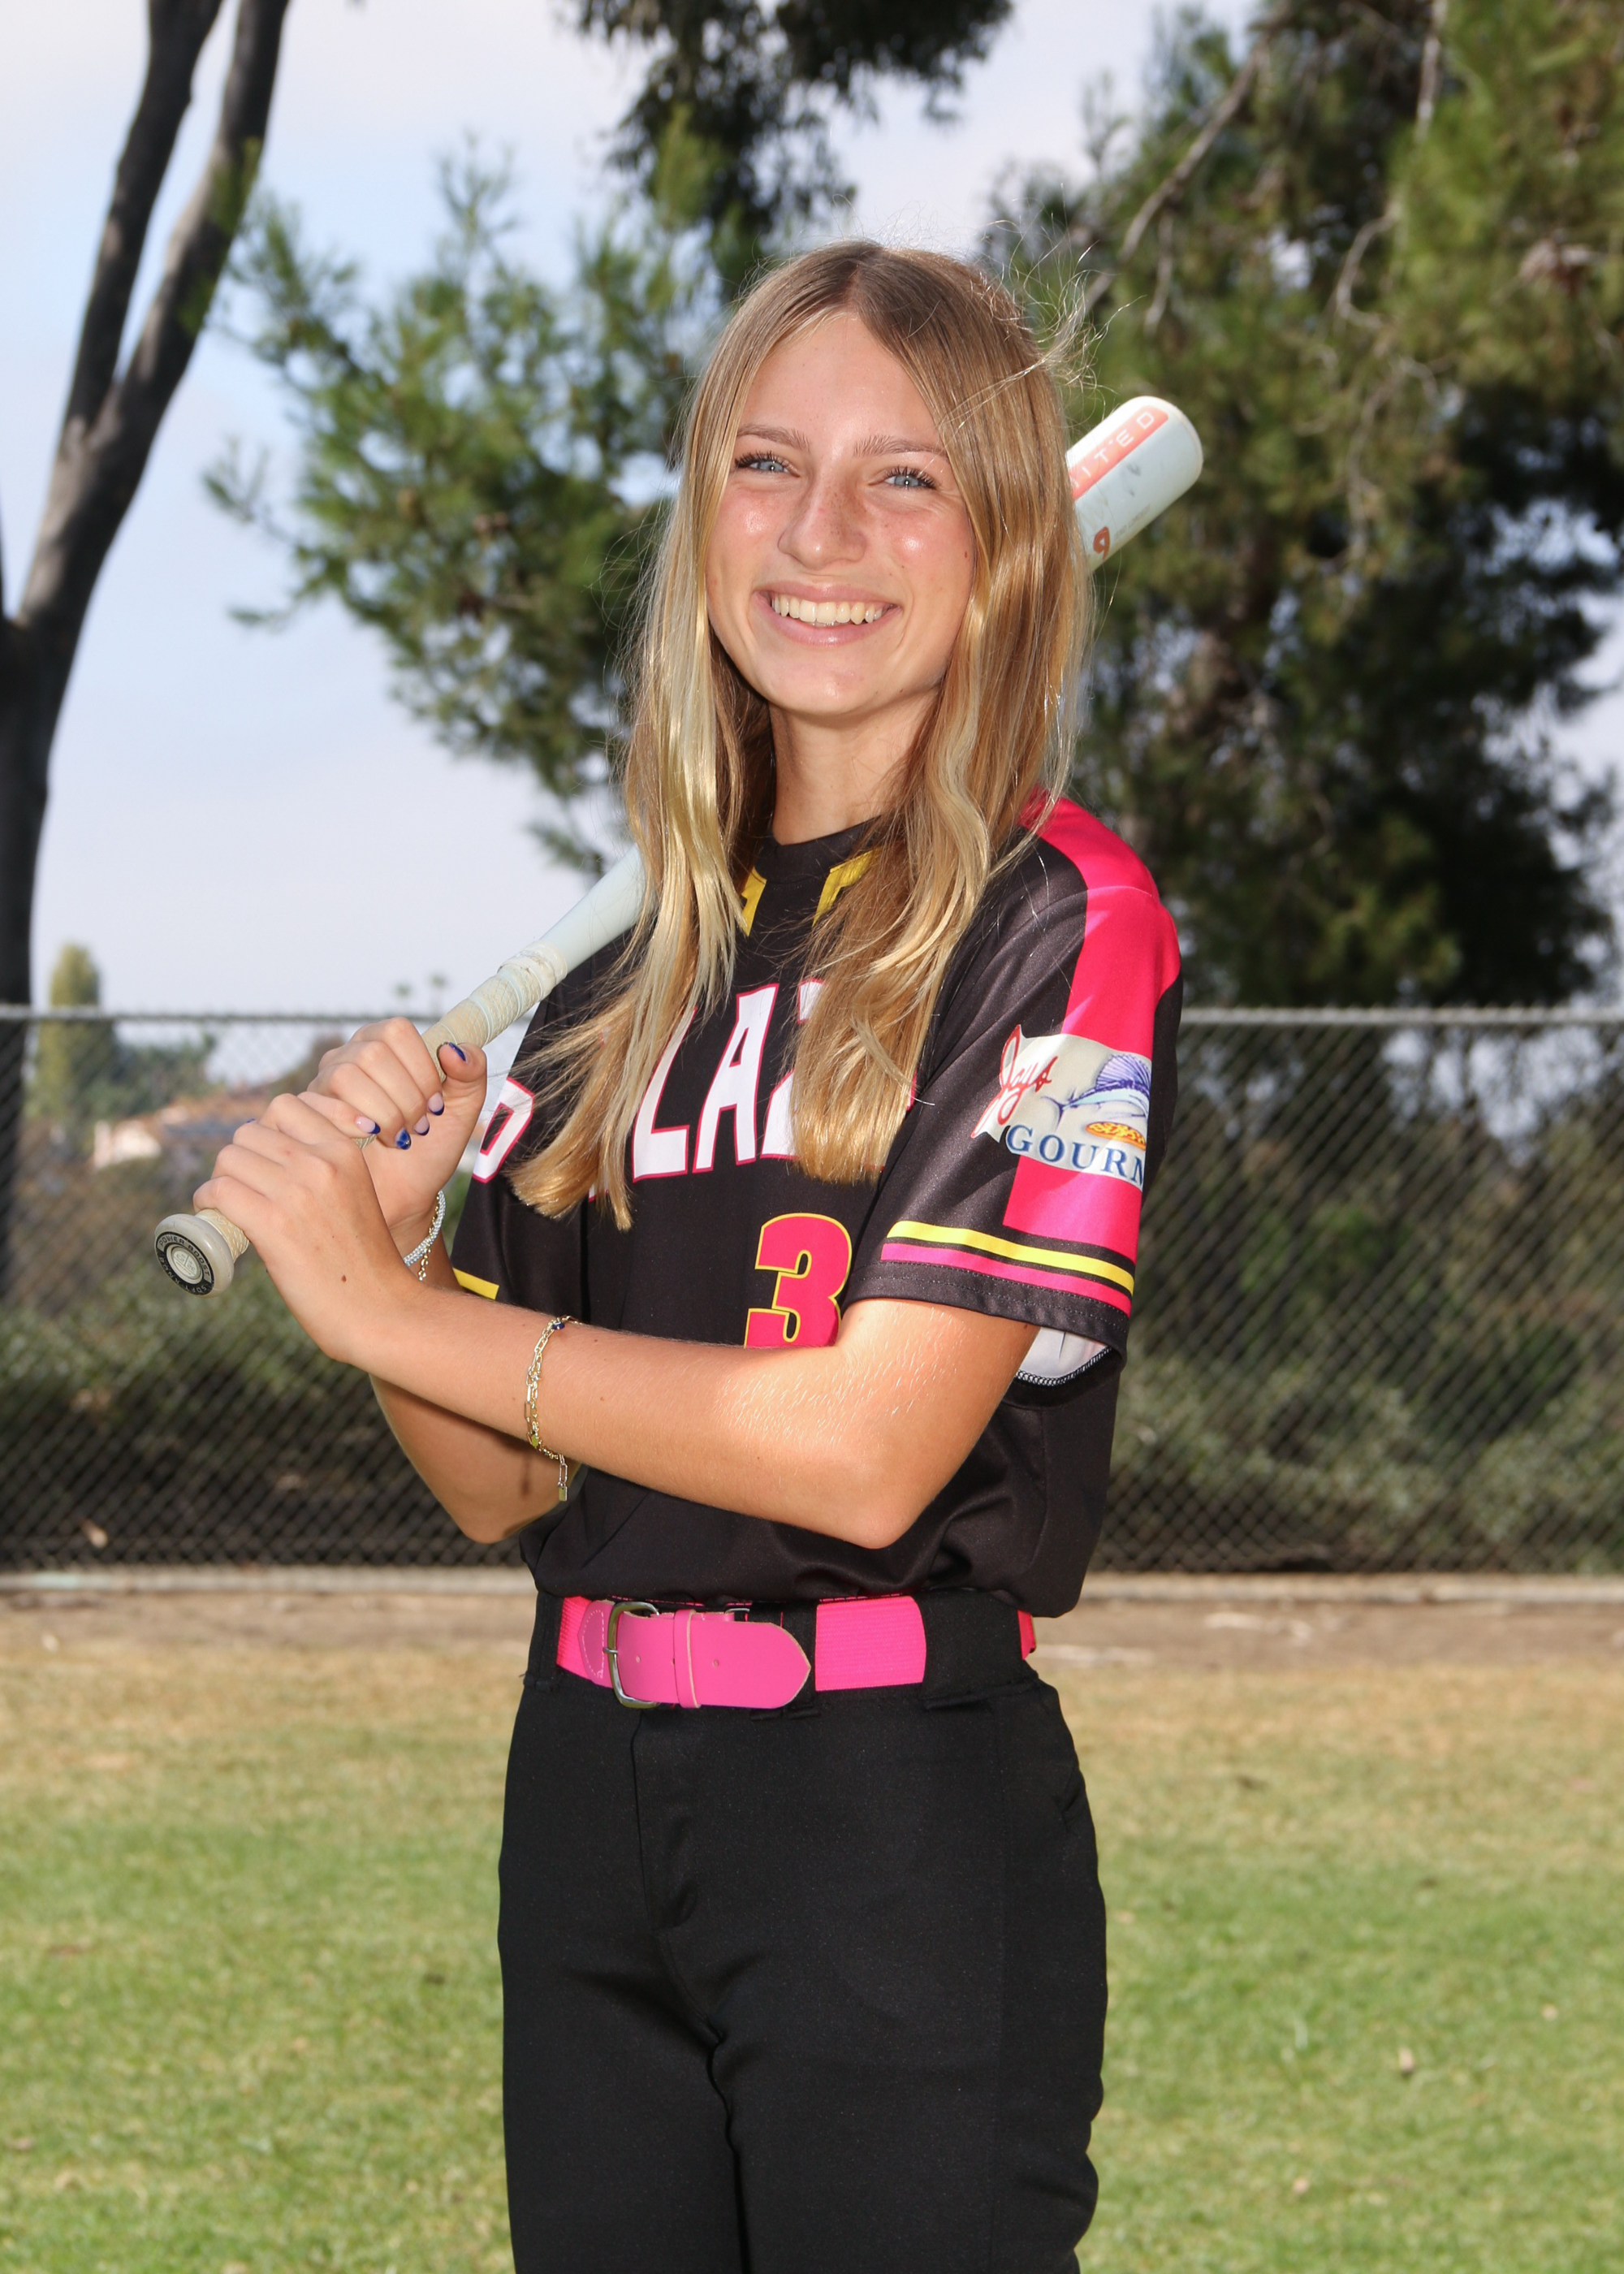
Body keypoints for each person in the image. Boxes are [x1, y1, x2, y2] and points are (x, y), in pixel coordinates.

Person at [198, 242, 1181, 2274]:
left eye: (905, 478)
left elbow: (867, 1455)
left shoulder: (1056, 920)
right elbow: (507, 1484)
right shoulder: (619, 964)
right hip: (587, 1793)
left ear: (1006, 537)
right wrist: (408, 1271)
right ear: (702, 517)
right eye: (767, 463)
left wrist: (382, 1307)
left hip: (882, 1809)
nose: (822, 534)